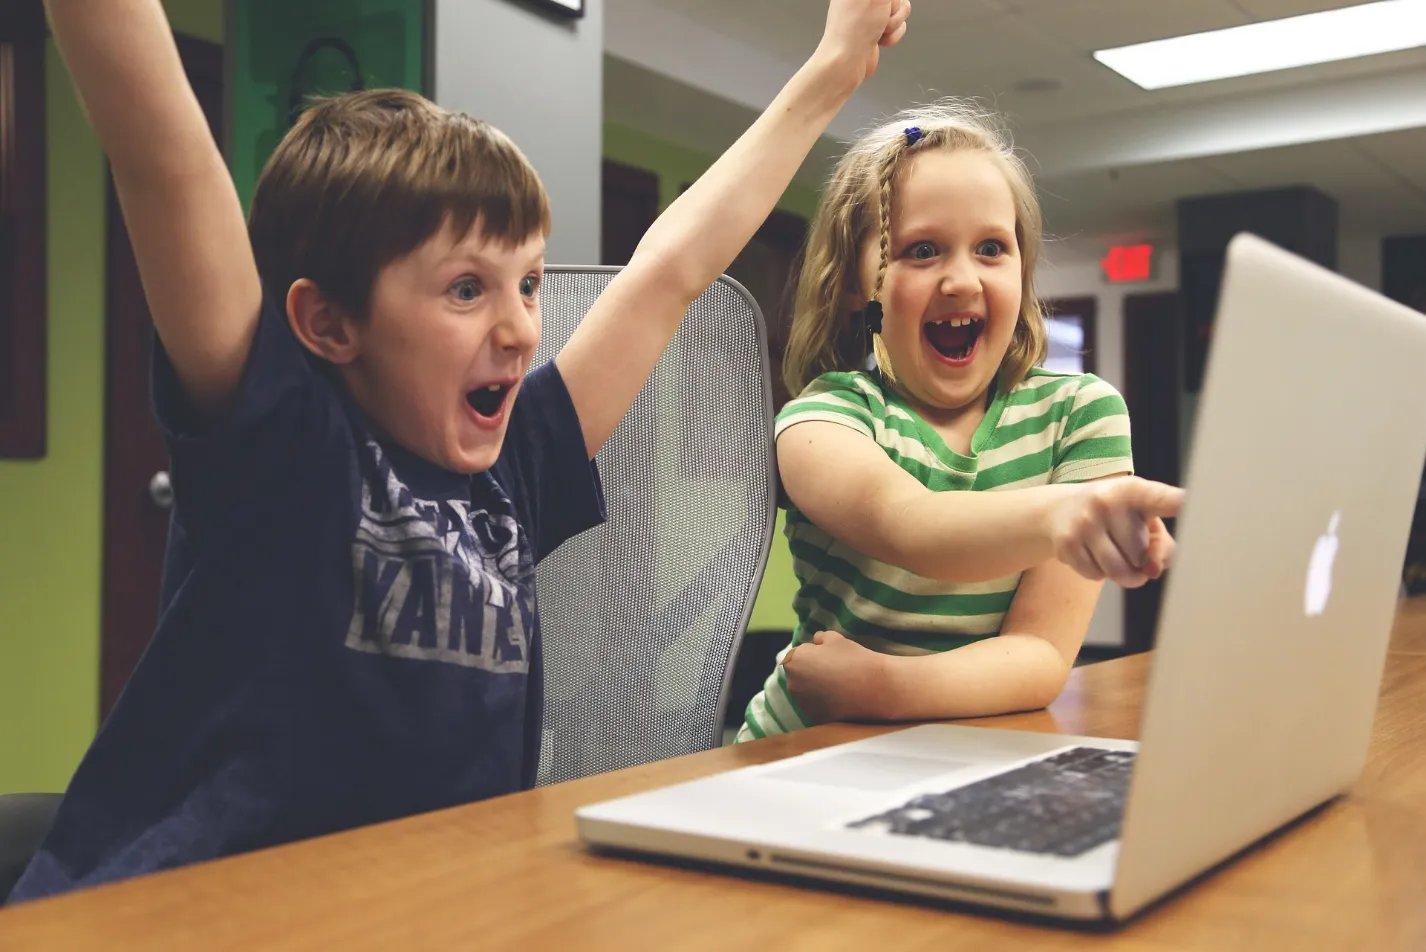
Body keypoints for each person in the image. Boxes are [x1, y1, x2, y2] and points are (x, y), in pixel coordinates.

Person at [10, 0, 912, 901]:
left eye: (527, 282)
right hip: (184, 912)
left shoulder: (517, 464)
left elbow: (669, 274)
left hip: (423, 904)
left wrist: (834, 66)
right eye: (467, 289)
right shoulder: (280, 436)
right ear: (326, 322)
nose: (523, 328)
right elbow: (162, 161)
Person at [737, 100, 1182, 741]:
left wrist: (883, 689)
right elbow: (914, 527)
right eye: (922, 250)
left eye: (992, 248)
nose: (961, 279)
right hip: (805, 749)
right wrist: (1064, 515)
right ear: (858, 282)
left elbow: (1041, 656)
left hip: (962, 750)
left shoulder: (1081, 414)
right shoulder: (822, 420)